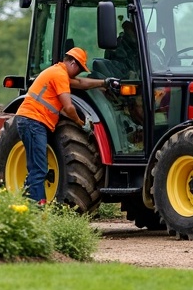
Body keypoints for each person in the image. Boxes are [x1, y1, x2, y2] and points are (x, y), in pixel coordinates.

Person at [16, 47, 117, 204]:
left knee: (36, 167)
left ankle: (26, 204)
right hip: (33, 121)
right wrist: (80, 123)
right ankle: (37, 208)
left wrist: (103, 82)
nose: (78, 74)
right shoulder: (59, 75)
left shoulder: (58, 72)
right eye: (79, 69)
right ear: (72, 63)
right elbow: (69, 108)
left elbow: (81, 83)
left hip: (32, 121)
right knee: (39, 168)